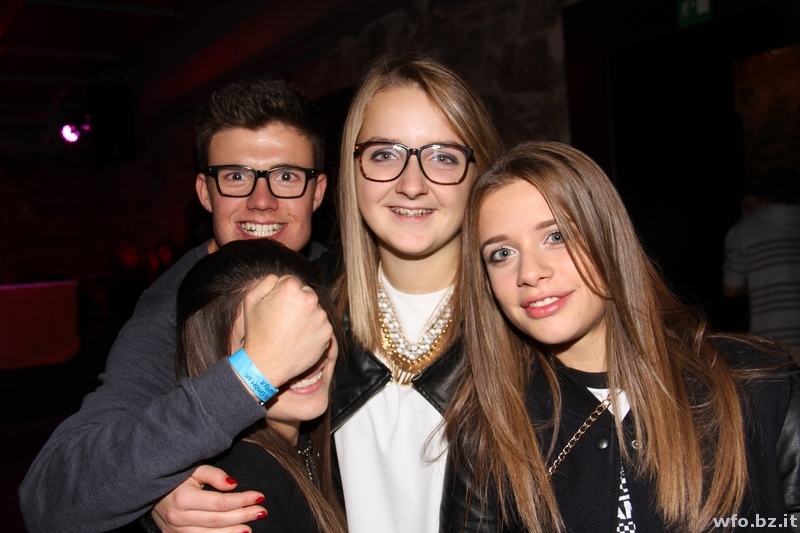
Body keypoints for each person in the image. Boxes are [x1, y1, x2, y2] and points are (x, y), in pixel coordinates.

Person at [151, 52, 505, 532]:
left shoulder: (526, 316)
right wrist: (161, 483)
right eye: (384, 154)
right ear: (351, 170)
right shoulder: (297, 303)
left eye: (443, 156)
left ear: (480, 172)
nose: (412, 184)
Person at [19, 75, 332, 532]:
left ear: (317, 192)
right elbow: (48, 499)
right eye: (236, 176)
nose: (261, 201)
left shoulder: (341, 271)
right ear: (205, 192)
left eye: (286, 176)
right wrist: (252, 374)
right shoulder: (173, 314)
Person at [443, 141, 800, 532]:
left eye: (557, 236)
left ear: (608, 237)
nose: (529, 272)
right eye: (502, 253)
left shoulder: (763, 385)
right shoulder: (489, 432)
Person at [175, 238, 346, 533]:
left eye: (307, 326)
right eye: (269, 343)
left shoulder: (320, 443)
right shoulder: (248, 489)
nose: (303, 359)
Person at [723, 166, 800, 350]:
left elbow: (730, 289)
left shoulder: (744, 230)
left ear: (762, 198)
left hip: (772, 341)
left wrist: (760, 277)